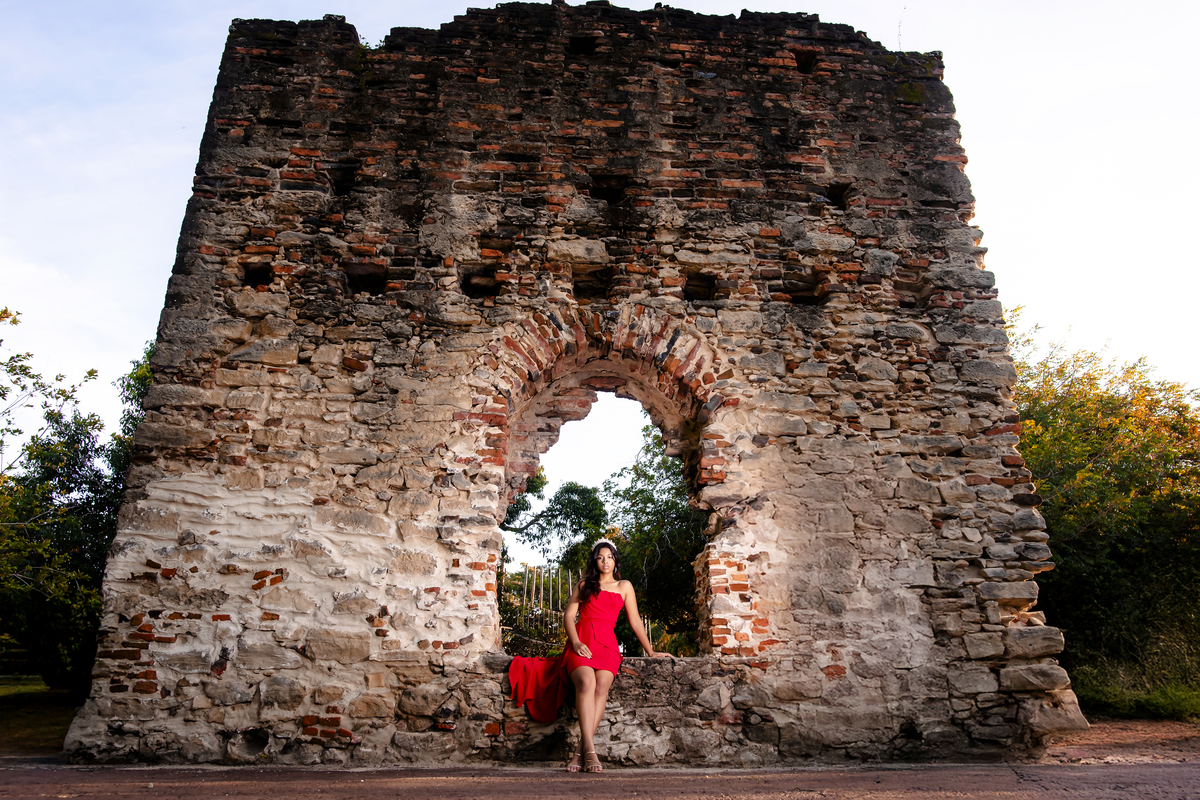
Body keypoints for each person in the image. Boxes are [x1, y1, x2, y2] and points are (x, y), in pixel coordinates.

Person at [508, 539, 669, 773]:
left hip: (608, 645)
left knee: (602, 684)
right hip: (582, 641)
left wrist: (651, 651)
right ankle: (591, 752)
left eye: (610, 557)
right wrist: (575, 642)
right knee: (586, 682)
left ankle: (579, 752)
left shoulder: (625, 586)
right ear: (595, 560)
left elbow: (635, 621)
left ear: (615, 561)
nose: (606, 561)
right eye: (601, 557)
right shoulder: (584, 584)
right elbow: (568, 616)